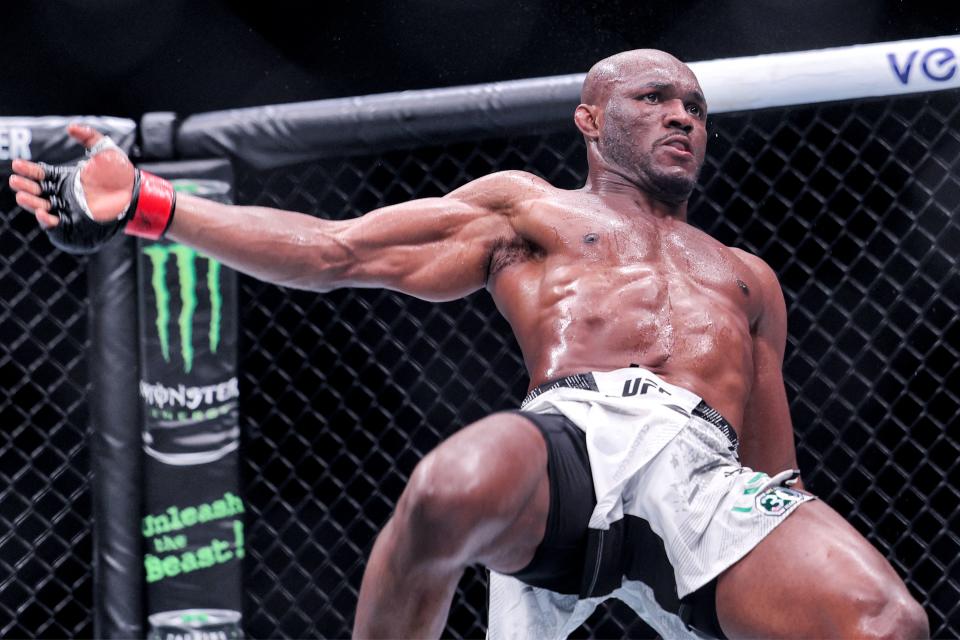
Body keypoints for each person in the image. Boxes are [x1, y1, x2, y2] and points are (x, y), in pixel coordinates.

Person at [10, 50, 929, 639]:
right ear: (591, 117)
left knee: (887, 624)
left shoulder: (746, 275)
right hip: (577, 437)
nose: (684, 115)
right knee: (450, 488)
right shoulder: (527, 207)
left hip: (708, 481)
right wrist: (152, 205)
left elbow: (776, 473)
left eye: (694, 104)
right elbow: (337, 251)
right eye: (655, 98)